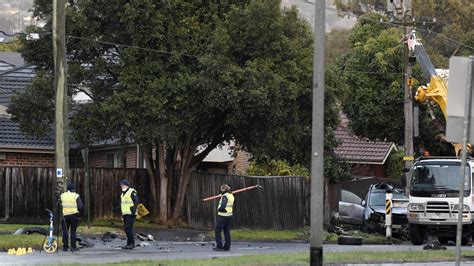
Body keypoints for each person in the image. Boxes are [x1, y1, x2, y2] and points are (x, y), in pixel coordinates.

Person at [60, 182, 83, 252]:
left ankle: (65, 247)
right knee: (73, 231)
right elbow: (81, 206)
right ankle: (73, 247)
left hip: (65, 216)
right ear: (74, 189)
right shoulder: (76, 196)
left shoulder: (62, 195)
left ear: (67, 189)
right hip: (74, 215)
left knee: (65, 231)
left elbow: (60, 204)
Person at [213, 184, 234, 251]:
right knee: (226, 231)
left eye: (221, 189)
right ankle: (227, 247)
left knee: (217, 230)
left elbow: (223, 206)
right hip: (229, 216)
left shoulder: (225, 196)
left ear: (223, 189)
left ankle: (219, 246)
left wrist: (219, 209)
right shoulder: (231, 195)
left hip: (223, 216)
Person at [119, 179, 139, 249]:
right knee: (127, 229)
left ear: (127, 185)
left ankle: (131, 243)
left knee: (128, 228)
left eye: (123, 185)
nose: (121, 186)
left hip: (131, 213)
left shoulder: (132, 192)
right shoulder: (123, 194)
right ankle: (129, 243)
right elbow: (123, 204)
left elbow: (136, 201)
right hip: (125, 213)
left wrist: (133, 211)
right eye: (121, 185)